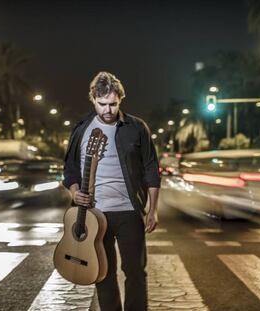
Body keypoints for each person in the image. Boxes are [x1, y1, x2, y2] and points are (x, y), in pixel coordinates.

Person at [62, 71, 161, 311]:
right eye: (102, 104)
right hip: (95, 215)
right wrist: (75, 193)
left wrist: (153, 210)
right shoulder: (81, 130)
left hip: (129, 211)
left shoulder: (136, 128)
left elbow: (151, 169)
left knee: (135, 271)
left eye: (113, 104)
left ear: (121, 100)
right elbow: (70, 170)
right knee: (103, 272)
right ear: (93, 100)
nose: (108, 110)